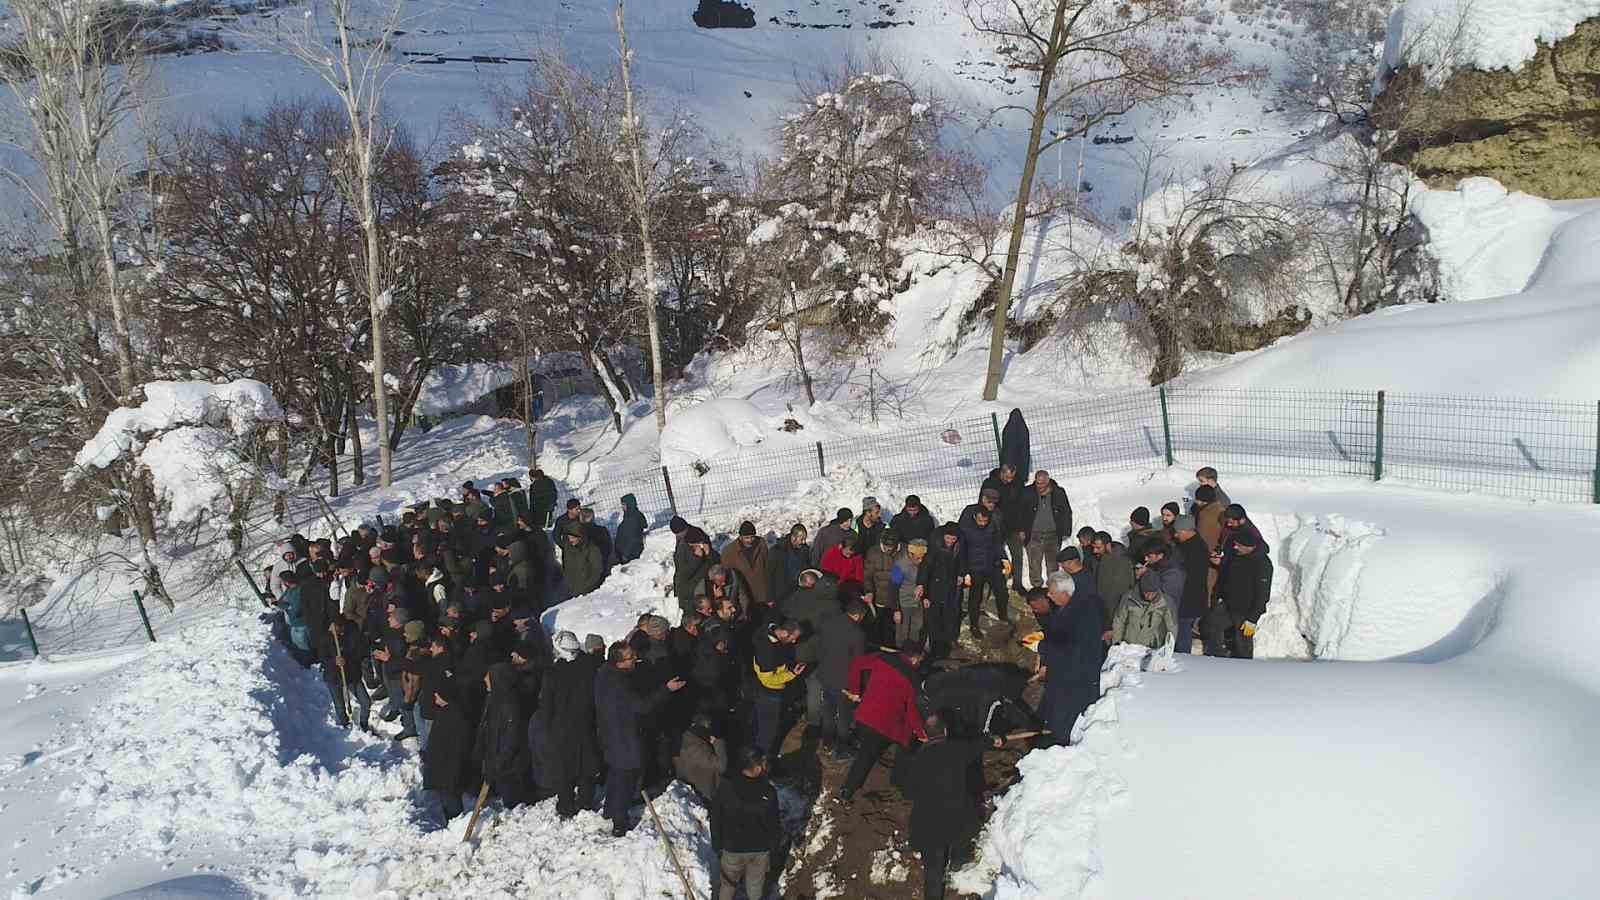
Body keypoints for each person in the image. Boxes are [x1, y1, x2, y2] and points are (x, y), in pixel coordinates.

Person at [594, 642, 687, 836]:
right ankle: (620, 823)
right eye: (630, 657)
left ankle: (610, 809)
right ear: (619, 662)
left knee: (616, 775)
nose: (635, 659)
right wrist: (666, 689)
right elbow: (642, 706)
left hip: (610, 734)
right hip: (624, 738)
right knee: (625, 781)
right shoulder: (621, 683)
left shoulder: (604, 673)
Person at [906, 714, 1002, 900]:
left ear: (926, 734)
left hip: (926, 824)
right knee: (965, 831)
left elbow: (908, 791)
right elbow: (978, 745)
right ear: (945, 731)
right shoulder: (957, 749)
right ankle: (959, 863)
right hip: (956, 820)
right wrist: (994, 739)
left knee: (933, 872)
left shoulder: (917, 758)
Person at [840, 642, 927, 803]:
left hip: (864, 716)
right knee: (902, 748)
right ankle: (896, 784)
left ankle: (848, 789)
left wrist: (855, 690)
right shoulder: (912, 679)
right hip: (885, 725)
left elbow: (857, 663)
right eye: (920, 660)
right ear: (914, 659)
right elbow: (912, 712)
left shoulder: (882, 658)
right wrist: (921, 733)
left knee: (865, 754)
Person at [1026, 575, 1101, 746]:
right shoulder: (1068, 608)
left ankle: (1057, 746)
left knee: (1064, 720)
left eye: (1051, 593)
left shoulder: (1079, 615)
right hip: (1065, 674)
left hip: (1075, 679)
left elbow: (1070, 648)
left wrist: (1040, 646)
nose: (1048, 596)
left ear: (1064, 593)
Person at [534, 631, 602, 818]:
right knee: (586, 765)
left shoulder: (553, 673)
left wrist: (546, 726)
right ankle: (585, 801)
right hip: (587, 723)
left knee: (565, 769)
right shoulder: (590, 667)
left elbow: (546, 705)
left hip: (562, 728)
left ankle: (566, 804)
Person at [710, 748, 780, 900]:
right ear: (758, 768)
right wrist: (773, 849)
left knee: (727, 886)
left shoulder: (726, 787)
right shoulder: (769, 792)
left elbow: (715, 817)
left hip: (732, 849)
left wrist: (717, 844)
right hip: (759, 850)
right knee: (755, 889)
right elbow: (775, 825)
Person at [474, 662, 535, 809]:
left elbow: (512, 736)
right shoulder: (493, 699)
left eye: (488, 677)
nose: (484, 679)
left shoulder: (510, 703)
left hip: (509, 766)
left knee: (512, 803)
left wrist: (501, 761)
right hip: (497, 762)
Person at [1207, 526, 1271, 659]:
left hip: (1246, 610)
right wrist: (1220, 562)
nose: (1235, 547)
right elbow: (1229, 572)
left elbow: (1263, 594)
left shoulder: (1263, 564)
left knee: (1243, 643)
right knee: (1212, 625)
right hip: (1228, 604)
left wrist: (1252, 619)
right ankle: (1215, 659)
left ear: (1250, 547)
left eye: (1239, 545)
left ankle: (1245, 667)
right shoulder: (1237, 555)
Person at [815, 599, 868, 758]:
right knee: (844, 716)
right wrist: (856, 690)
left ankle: (827, 743)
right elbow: (858, 664)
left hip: (825, 676)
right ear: (858, 615)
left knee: (828, 711)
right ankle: (842, 749)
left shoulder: (827, 623)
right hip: (844, 683)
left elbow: (820, 648)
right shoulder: (857, 634)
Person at [750, 619, 806, 758]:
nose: (794, 641)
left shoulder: (769, 630)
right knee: (768, 731)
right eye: (794, 638)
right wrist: (792, 674)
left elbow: (770, 624)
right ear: (785, 633)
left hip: (761, 689)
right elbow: (768, 679)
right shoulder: (767, 651)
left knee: (759, 723)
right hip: (770, 693)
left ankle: (754, 753)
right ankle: (762, 760)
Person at [1015, 470, 1072, 590]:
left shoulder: (1058, 492)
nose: (1039, 486)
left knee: (1053, 565)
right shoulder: (1027, 493)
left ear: (1048, 481)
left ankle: (1053, 589)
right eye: (1037, 483)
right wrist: (1021, 530)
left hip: (1053, 535)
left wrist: (1066, 530)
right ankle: (1037, 589)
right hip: (1034, 535)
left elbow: (1066, 512)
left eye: (1042, 484)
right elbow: (1020, 513)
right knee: (1034, 564)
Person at [959, 505, 1008, 639]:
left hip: (992, 565)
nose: (983, 524)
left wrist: (1004, 558)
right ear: (975, 517)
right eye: (980, 521)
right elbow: (962, 552)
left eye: (985, 521)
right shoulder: (966, 529)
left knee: (1002, 592)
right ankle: (974, 625)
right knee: (975, 597)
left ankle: (1003, 616)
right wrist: (965, 572)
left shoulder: (992, 525)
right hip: (975, 568)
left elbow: (997, 544)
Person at [919, 525, 968, 659]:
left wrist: (961, 573)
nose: (950, 541)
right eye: (948, 538)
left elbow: (962, 561)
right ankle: (934, 646)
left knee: (950, 615)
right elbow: (926, 567)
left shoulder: (959, 547)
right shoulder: (935, 547)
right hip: (935, 586)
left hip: (950, 586)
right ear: (943, 536)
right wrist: (922, 586)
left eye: (953, 539)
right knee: (934, 618)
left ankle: (948, 642)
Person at [978, 468, 1025, 594]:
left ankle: (1017, 584)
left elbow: (1021, 505)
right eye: (1007, 477)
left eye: (1012, 477)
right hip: (995, 525)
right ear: (1002, 473)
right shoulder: (990, 483)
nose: (1009, 480)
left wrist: (1021, 527)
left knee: (1017, 555)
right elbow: (982, 504)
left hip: (1013, 526)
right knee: (995, 556)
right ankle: (996, 584)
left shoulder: (1018, 483)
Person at [1170, 515, 1211, 654]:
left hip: (1188, 597)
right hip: (1188, 596)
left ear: (1185, 531)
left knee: (1183, 631)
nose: (1175, 535)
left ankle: (1183, 658)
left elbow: (1189, 576)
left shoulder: (1195, 549)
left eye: (1177, 532)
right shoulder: (1191, 545)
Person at [1112, 572, 1178, 648]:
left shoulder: (1166, 603)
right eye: (1146, 592)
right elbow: (1119, 621)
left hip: (1152, 648)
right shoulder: (1128, 598)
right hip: (1129, 646)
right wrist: (1116, 644)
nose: (1149, 596)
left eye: (1152, 593)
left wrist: (1168, 648)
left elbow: (1172, 628)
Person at [672, 712, 728, 802]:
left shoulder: (685, 740)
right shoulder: (696, 748)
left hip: (694, 791)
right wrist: (717, 742)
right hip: (703, 794)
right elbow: (721, 766)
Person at [721, 521, 773, 610]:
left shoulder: (761, 544)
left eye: (752, 537)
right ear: (740, 537)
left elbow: (767, 567)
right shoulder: (729, 551)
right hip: (743, 595)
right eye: (746, 538)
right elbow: (726, 576)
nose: (750, 540)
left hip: (761, 593)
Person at [891, 538, 928, 647]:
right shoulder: (900, 566)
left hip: (917, 603)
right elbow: (893, 589)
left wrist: (925, 597)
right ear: (910, 554)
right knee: (903, 632)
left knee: (916, 630)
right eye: (918, 558)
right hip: (904, 604)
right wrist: (896, 610)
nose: (920, 561)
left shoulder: (924, 563)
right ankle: (901, 653)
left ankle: (913, 651)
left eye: (922, 557)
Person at [674, 527, 716, 615]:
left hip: (704, 596)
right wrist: (699, 558)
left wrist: (709, 554)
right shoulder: (683, 554)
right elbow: (693, 574)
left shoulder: (704, 549)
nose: (702, 546)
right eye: (699, 543)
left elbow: (716, 563)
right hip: (691, 600)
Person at [615, 494, 647, 564]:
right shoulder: (629, 516)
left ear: (629, 504)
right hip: (625, 553)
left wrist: (625, 555)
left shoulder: (632, 518)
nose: (622, 507)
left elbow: (633, 538)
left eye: (624, 504)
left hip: (629, 554)